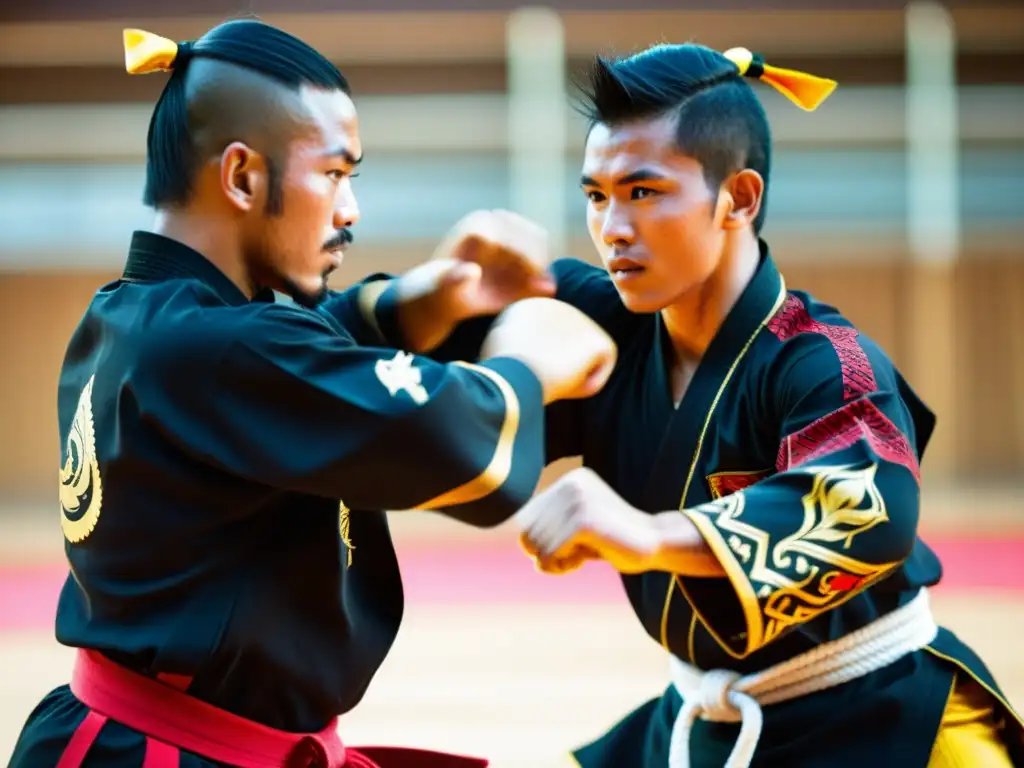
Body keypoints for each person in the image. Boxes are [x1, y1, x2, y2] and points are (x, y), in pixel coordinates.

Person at [369, 43, 1024, 768]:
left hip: (885, 720)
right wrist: (431, 301)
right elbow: (387, 398)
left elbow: (875, 506)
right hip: (705, 718)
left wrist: (649, 534)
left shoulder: (823, 360)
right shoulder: (595, 316)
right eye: (596, 195)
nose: (613, 227)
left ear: (737, 199)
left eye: (643, 192)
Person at [8, 20, 618, 768]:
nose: (350, 209)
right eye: (334, 174)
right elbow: (467, 451)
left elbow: (285, 349)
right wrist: (527, 361)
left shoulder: (130, 315)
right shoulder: (220, 349)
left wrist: (407, 305)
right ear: (241, 177)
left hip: (134, 737)